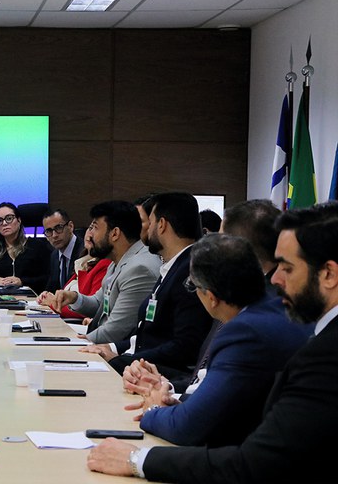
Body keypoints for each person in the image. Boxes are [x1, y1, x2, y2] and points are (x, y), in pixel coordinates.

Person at [88, 202, 338, 483]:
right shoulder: (296, 326)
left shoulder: (315, 350)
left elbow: (257, 461)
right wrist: (170, 393)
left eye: (288, 268)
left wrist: (137, 457)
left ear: (329, 275)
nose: (276, 279)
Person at [123, 234, 309, 447]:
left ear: (211, 297)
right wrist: (167, 388)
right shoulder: (275, 309)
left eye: (194, 287)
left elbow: (186, 428)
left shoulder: (245, 331)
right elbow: (227, 394)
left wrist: (153, 410)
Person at [82, 193, 212, 376]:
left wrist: (118, 360)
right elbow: (146, 335)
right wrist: (109, 347)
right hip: (140, 366)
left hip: (157, 375)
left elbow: (184, 346)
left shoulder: (189, 270)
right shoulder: (173, 265)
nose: (145, 231)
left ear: (161, 225)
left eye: (149, 223)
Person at [49, 201, 161, 343]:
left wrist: (72, 343)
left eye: (95, 228)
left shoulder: (139, 269)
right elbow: (98, 304)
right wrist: (74, 298)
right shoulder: (118, 261)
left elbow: (116, 330)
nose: (90, 235)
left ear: (115, 233)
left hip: (118, 355)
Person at [0, 202, 52, 293]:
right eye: (0, 220)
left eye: (9, 218)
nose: (4, 223)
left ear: (19, 220)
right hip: (2, 301)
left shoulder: (37, 246)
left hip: (33, 300)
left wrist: (22, 281)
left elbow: (49, 278)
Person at [41, 208, 86, 293]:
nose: (54, 235)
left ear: (70, 226)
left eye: (58, 228)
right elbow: (51, 289)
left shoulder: (85, 252)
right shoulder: (54, 255)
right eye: (49, 231)